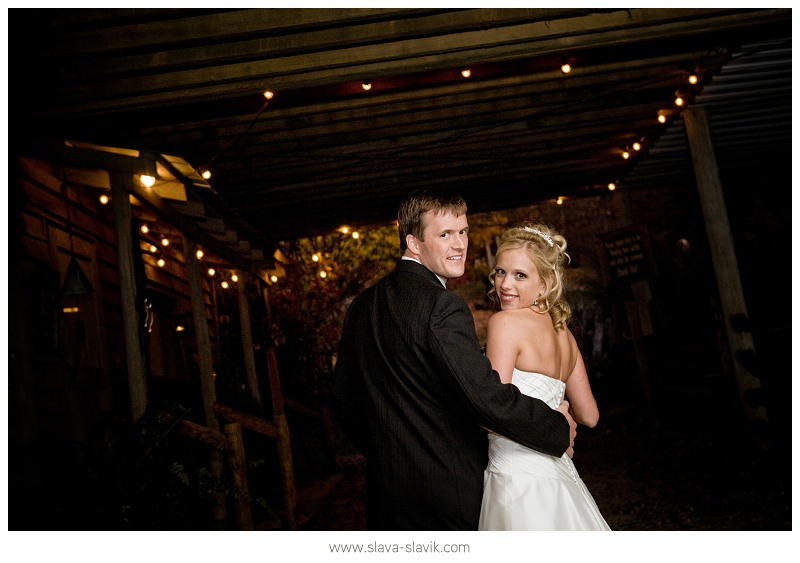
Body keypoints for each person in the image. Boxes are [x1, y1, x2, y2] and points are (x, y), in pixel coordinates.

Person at [331, 190, 577, 531]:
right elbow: (486, 398)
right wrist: (556, 427)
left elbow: (344, 400)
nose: (459, 244)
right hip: (451, 494)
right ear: (414, 243)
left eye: (462, 231)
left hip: (387, 496)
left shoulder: (362, 306)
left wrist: (390, 452)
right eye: (445, 234)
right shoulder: (441, 305)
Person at [478, 223, 611, 530]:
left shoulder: (505, 323)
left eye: (520, 275)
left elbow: (493, 411)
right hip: (562, 476)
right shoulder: (565, 334)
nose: (505, 284)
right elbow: (589, 415)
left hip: (518, 479)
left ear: (546, 283)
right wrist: (559, 416)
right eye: (500, 272)